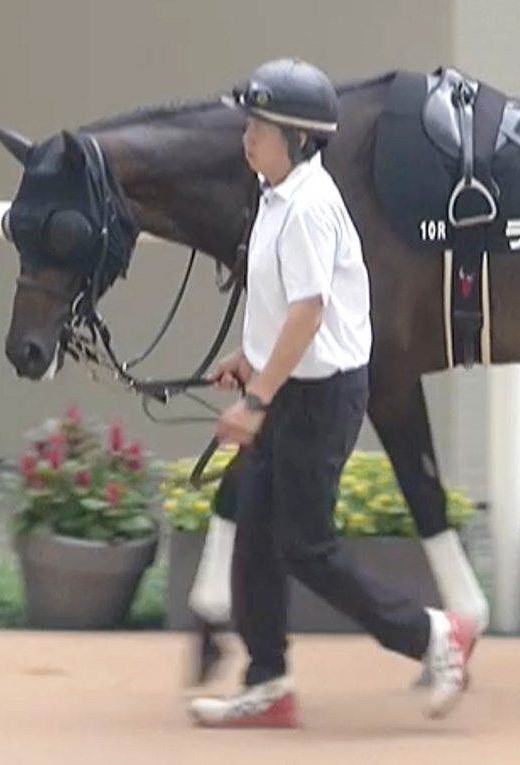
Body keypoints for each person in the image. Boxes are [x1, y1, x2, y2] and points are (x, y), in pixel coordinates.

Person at [186, 57, 478, 729]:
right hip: (292, 385)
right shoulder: (276, 196)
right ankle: (268, 683)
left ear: (298, 139)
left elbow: (309, 314)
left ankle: (436, 636)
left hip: (319, 399)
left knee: (305, 547)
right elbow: (286, 306)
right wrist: (249, 359)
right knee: (256, 539)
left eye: (260, 128)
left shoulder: (309, 207)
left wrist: (255, 399)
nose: (247, 137)